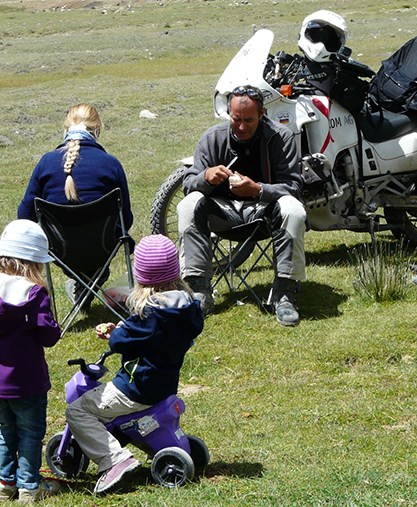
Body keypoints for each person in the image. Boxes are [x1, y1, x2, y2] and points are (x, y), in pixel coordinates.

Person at [65, 234, 204, 495]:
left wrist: (113, 332)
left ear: (141, 277)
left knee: (78, 411)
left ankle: (113, 460)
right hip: (164, 385)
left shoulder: (148, 313)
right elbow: (149, 338)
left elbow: (121, 341)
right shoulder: (187, 309)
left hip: (135, 388)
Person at [177, 84, 307, 326]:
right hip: (223, 213)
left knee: (293, 208)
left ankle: (285, 292)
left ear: (262, 114)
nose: (242, 126)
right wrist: (205, 177)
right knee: (188, 205)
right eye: (236, 119)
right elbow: (188, 183)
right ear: (229, 113)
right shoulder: (212, 139)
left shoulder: (281, 138)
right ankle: (198, 290)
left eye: (249, 120)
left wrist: (258, 190)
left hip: (265, 215)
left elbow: (294, 187)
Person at [0, 219, 62, 503]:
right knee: (30, 432)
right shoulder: (33, 293)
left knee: (6, 431)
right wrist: (54, 326)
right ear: (34, 261)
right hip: (27, 382)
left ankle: (5, 484)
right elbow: (48, 336)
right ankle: (29, 487)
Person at [17, 103, 133, 308]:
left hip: (59, 251)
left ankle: (83, 283)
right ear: (97, 130)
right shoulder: (110, 163)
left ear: (65, 129)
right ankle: (91, 279)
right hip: (102, 248)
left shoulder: (46, 162)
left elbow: (25, 215)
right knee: (105, 238)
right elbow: (127, 218)